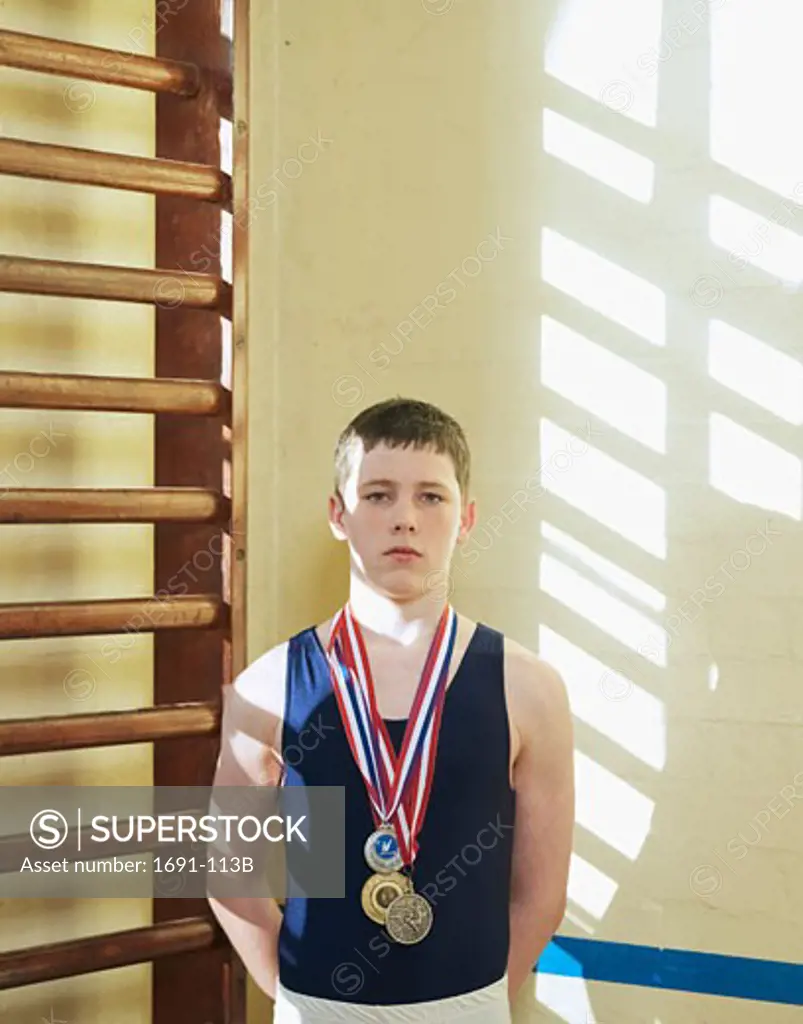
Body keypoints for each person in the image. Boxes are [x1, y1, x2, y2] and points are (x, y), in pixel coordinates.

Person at [208, 397, 575, 1023]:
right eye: (377, 495)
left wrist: (476, 1002)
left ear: (467, 518)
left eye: (431, 497)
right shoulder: (269, 686)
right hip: (316, 1005)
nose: (404, 518)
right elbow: (229, 877)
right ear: (338, 515)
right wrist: (299, 1000)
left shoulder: (530, 687)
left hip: (472, 1005)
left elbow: (540, 895)